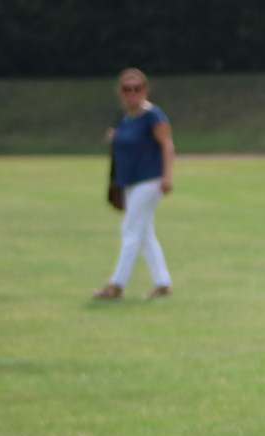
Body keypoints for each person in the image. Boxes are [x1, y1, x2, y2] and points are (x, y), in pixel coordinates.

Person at [94, 68, 173, 301]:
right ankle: (162, 283)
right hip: (129, 181)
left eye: (136, 88)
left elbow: (167, 145)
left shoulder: (152, 116)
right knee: (144, 232)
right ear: (119, 92)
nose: (131, 93)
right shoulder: (124, 118)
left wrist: (167, 177)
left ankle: (116, 285)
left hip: (149, 180)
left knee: (129, 230)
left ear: (145, 90)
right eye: (126, 89)